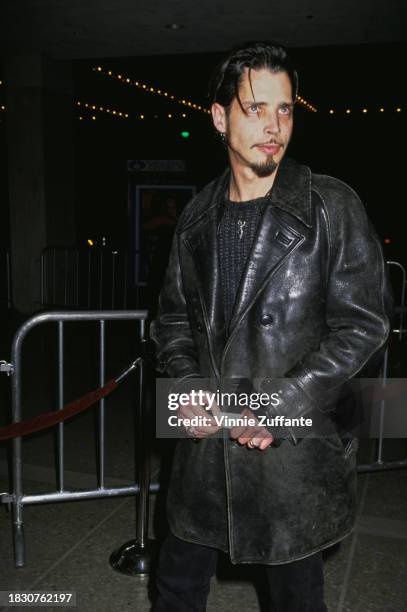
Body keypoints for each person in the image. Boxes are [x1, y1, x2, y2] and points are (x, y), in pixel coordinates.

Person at [150, 41, 393, 612]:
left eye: (284, 108)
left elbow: (364, 324)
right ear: (219, 116)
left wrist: (281, 403)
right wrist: (185, 387)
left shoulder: (331, 205)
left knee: (295, 597)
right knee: (177, 586)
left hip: (289, 451)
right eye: (255, 107)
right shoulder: (195, 218)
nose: (274, 125)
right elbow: (171, 321)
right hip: (205, 451)